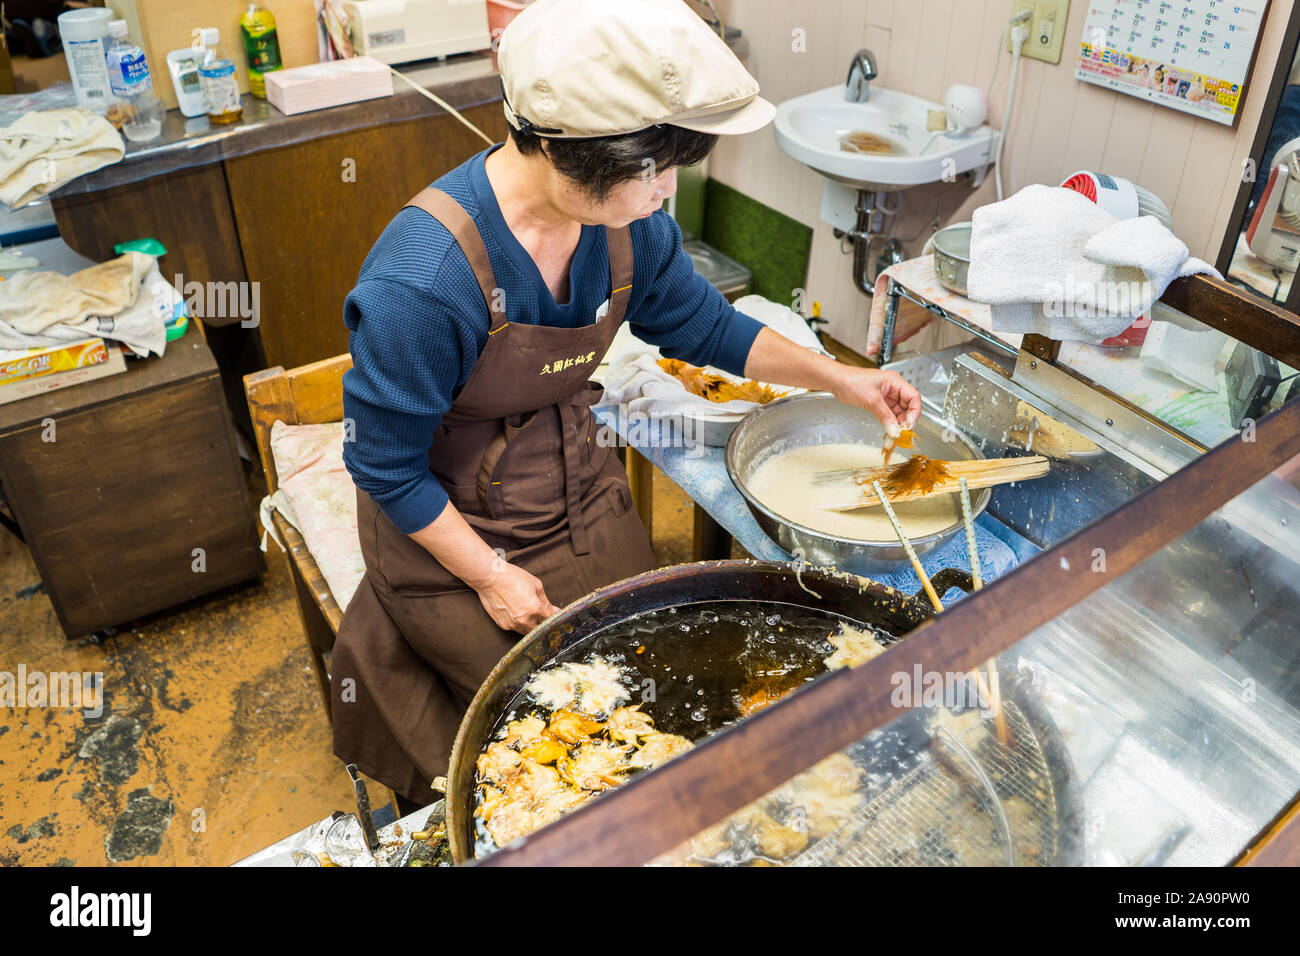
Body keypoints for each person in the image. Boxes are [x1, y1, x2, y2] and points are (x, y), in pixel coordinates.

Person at [330, 0, 922, 808]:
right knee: (568, 727)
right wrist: (493, 576)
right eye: (652, 168)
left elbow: (701, 323)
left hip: (574, 479)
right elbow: (383, 464)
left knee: (659, 675)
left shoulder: (627, 222)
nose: (666, 190)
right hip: (445, 528)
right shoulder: (423, 282)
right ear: (567, 152)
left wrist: (837, 377)